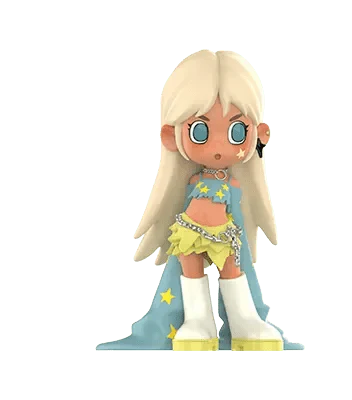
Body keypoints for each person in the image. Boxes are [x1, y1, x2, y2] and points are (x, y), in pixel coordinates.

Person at [96, 49, 304, 352]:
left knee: (232, 269)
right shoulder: (193, 182)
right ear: (171, 136)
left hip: (224, 236)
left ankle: (244, 321)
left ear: (260, 134)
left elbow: (234, 211)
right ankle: (198, 322)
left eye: (236, 131)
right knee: (190, 271)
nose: (218, 146)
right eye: (200, 130)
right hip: (189, 233)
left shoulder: (233, 184)